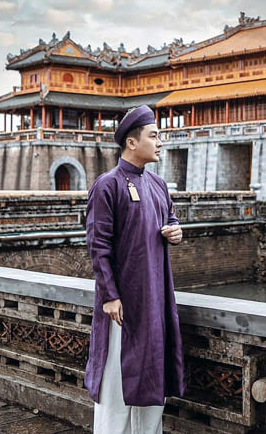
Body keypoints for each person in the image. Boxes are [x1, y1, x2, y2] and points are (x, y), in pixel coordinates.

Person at [85, 105, 185, 434]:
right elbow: (98, 246)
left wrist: (175, 231)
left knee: (151, 383)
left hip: (155, 301)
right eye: (153, 136)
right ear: (131, 142)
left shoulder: (158, 186)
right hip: (122, 306)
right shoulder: (107, 186)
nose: (160, 142)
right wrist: (110, 296)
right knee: (117, 383)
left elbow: (169, 220)